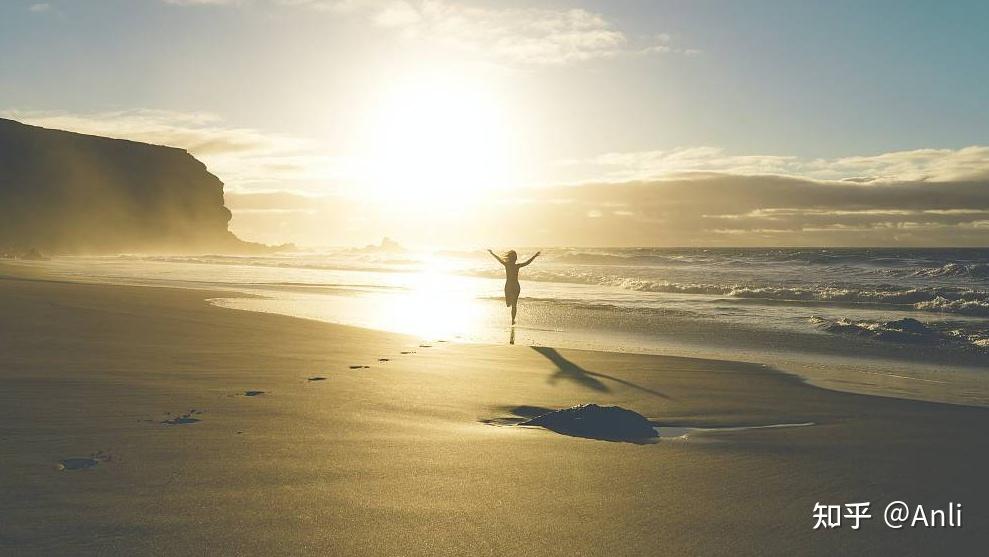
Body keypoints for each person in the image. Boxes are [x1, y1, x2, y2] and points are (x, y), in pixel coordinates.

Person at [487, 249, 541, 325]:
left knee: (512, 304)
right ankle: (513, 318)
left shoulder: (509, 265)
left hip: (510, 286)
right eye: (515, 258)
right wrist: (534, 256)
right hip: (515, 286)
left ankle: (513, 320)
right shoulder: (513, 265)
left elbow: (526, 263)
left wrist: (492, 253)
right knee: (510, 304)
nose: (516, 259)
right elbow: (527, 263)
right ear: (513, 259)